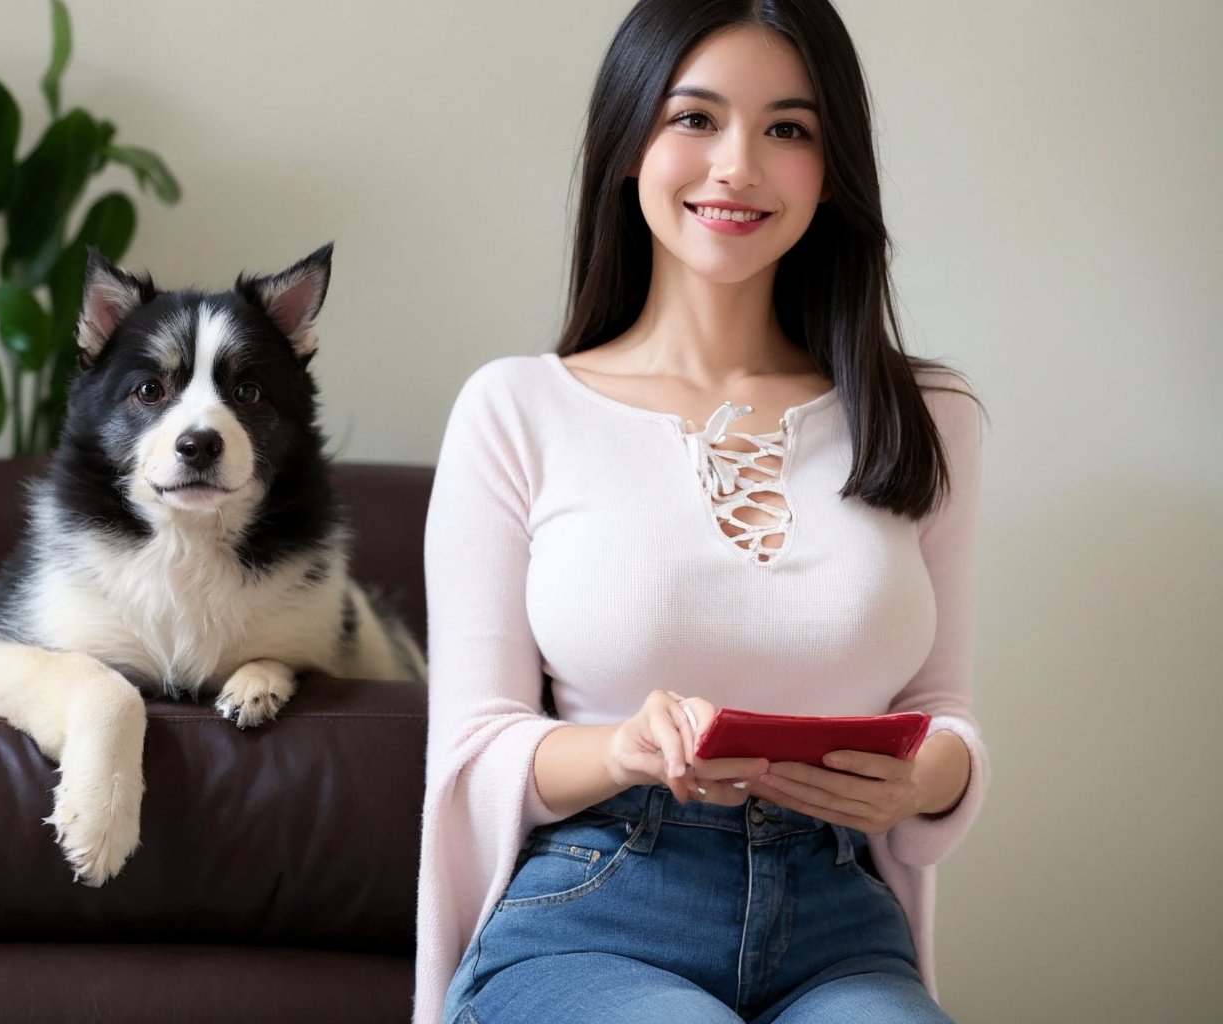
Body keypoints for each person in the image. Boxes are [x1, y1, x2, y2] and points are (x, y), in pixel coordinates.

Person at [414, 0, 988, 1021]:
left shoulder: (926, 417)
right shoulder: (516, 410)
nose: (738, 166)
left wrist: (927, 777)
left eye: (788, 129)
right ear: (631, 141)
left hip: (841, 927)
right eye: (695, 118)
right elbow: (473, 748)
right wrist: (625, 749)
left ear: (832, 163)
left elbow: (943, 713)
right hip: (594, 910)